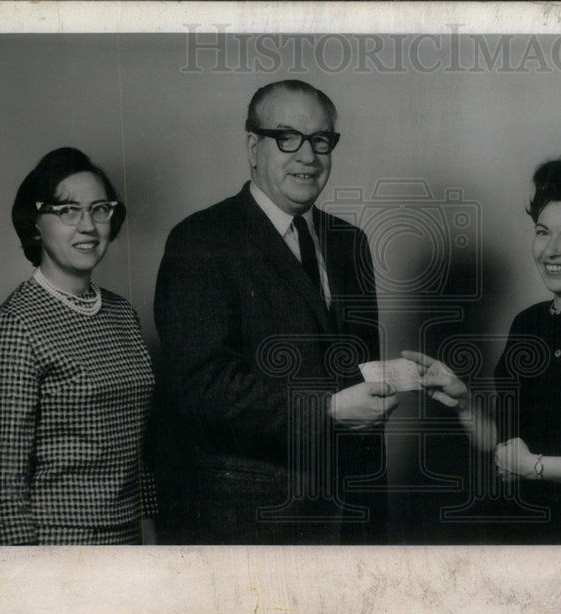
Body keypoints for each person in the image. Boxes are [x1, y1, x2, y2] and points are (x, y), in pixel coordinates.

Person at [152, 80, 396, 545]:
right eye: (288, 137)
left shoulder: (351, 243)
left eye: (321, 140)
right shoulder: (200, 240)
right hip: (249, 520)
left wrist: (390, 385)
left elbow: (358, 370)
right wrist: (327, 409)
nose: (308, 156)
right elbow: (202, 387)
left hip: (352, 513)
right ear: (252, 146)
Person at [405, 157, 561, 544]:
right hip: (506, 523)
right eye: (543, 232)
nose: (550, 250)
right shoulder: (528, 322)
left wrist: (535, 467)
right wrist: (464, 404)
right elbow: (504, 446)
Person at [0, 147, 156, 545]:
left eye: (100, 209)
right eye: (68, 211)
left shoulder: (121, 313)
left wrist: (149, 532)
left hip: (129, 537)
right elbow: (1, 485)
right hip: (59, 546)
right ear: (35, 223)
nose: (88, 226)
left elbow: (136, 445)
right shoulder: (13, 327)